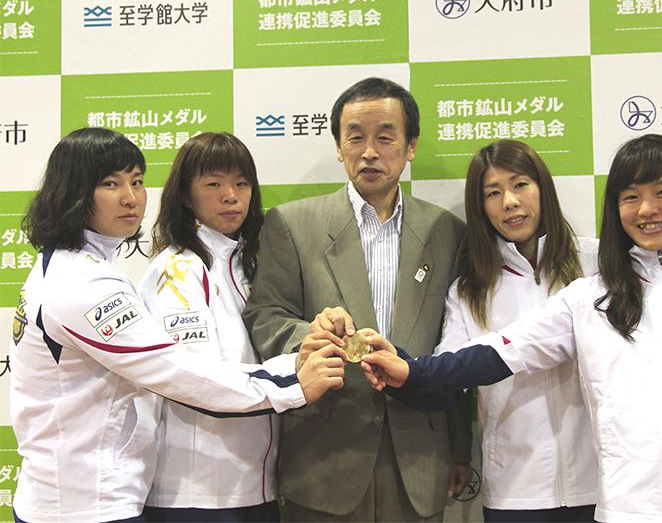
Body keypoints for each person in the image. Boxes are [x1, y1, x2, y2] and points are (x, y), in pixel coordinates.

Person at [361, 134, 662, 523]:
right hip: (626, 510)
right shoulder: (589, 296)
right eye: (631, 197)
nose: (647, 209)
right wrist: (411, 370)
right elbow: (501, 351)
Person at [10, 128, 346, 523]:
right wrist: (293, 381)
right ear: (73, 192)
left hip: (102, 494)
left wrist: (304, 349)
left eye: (137, 181)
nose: (131, 197)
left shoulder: (84, 267)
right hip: (98, 503)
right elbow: (180, 372)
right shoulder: (92, 283)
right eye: (110, 184)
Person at [242, 77, 471, 521]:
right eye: (356, 137)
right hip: (325, 454)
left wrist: (460, 447)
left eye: (385, 137)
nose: (369, 152)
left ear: (410, 146)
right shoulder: (292, 224)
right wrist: (310, 337)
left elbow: (457, 343)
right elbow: (266, 315)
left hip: (420, 456)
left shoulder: (447, 232)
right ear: (338, 146)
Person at [437, 139, 598, 522]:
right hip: (514, 491)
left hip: (600, 482)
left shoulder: (596, 264)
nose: (509, 202)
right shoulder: (469, 290)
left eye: (520, 184)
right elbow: (449, 372)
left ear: (543, 188)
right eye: (493, 193)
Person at [138, 132, 284, 521]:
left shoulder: (250, 264)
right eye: (214, 184)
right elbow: (196, 379)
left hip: (256, 483)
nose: (231, 196)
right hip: (197, 492)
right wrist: (296, 381)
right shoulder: (179, 269)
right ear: (186, 196)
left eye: (242, 183)